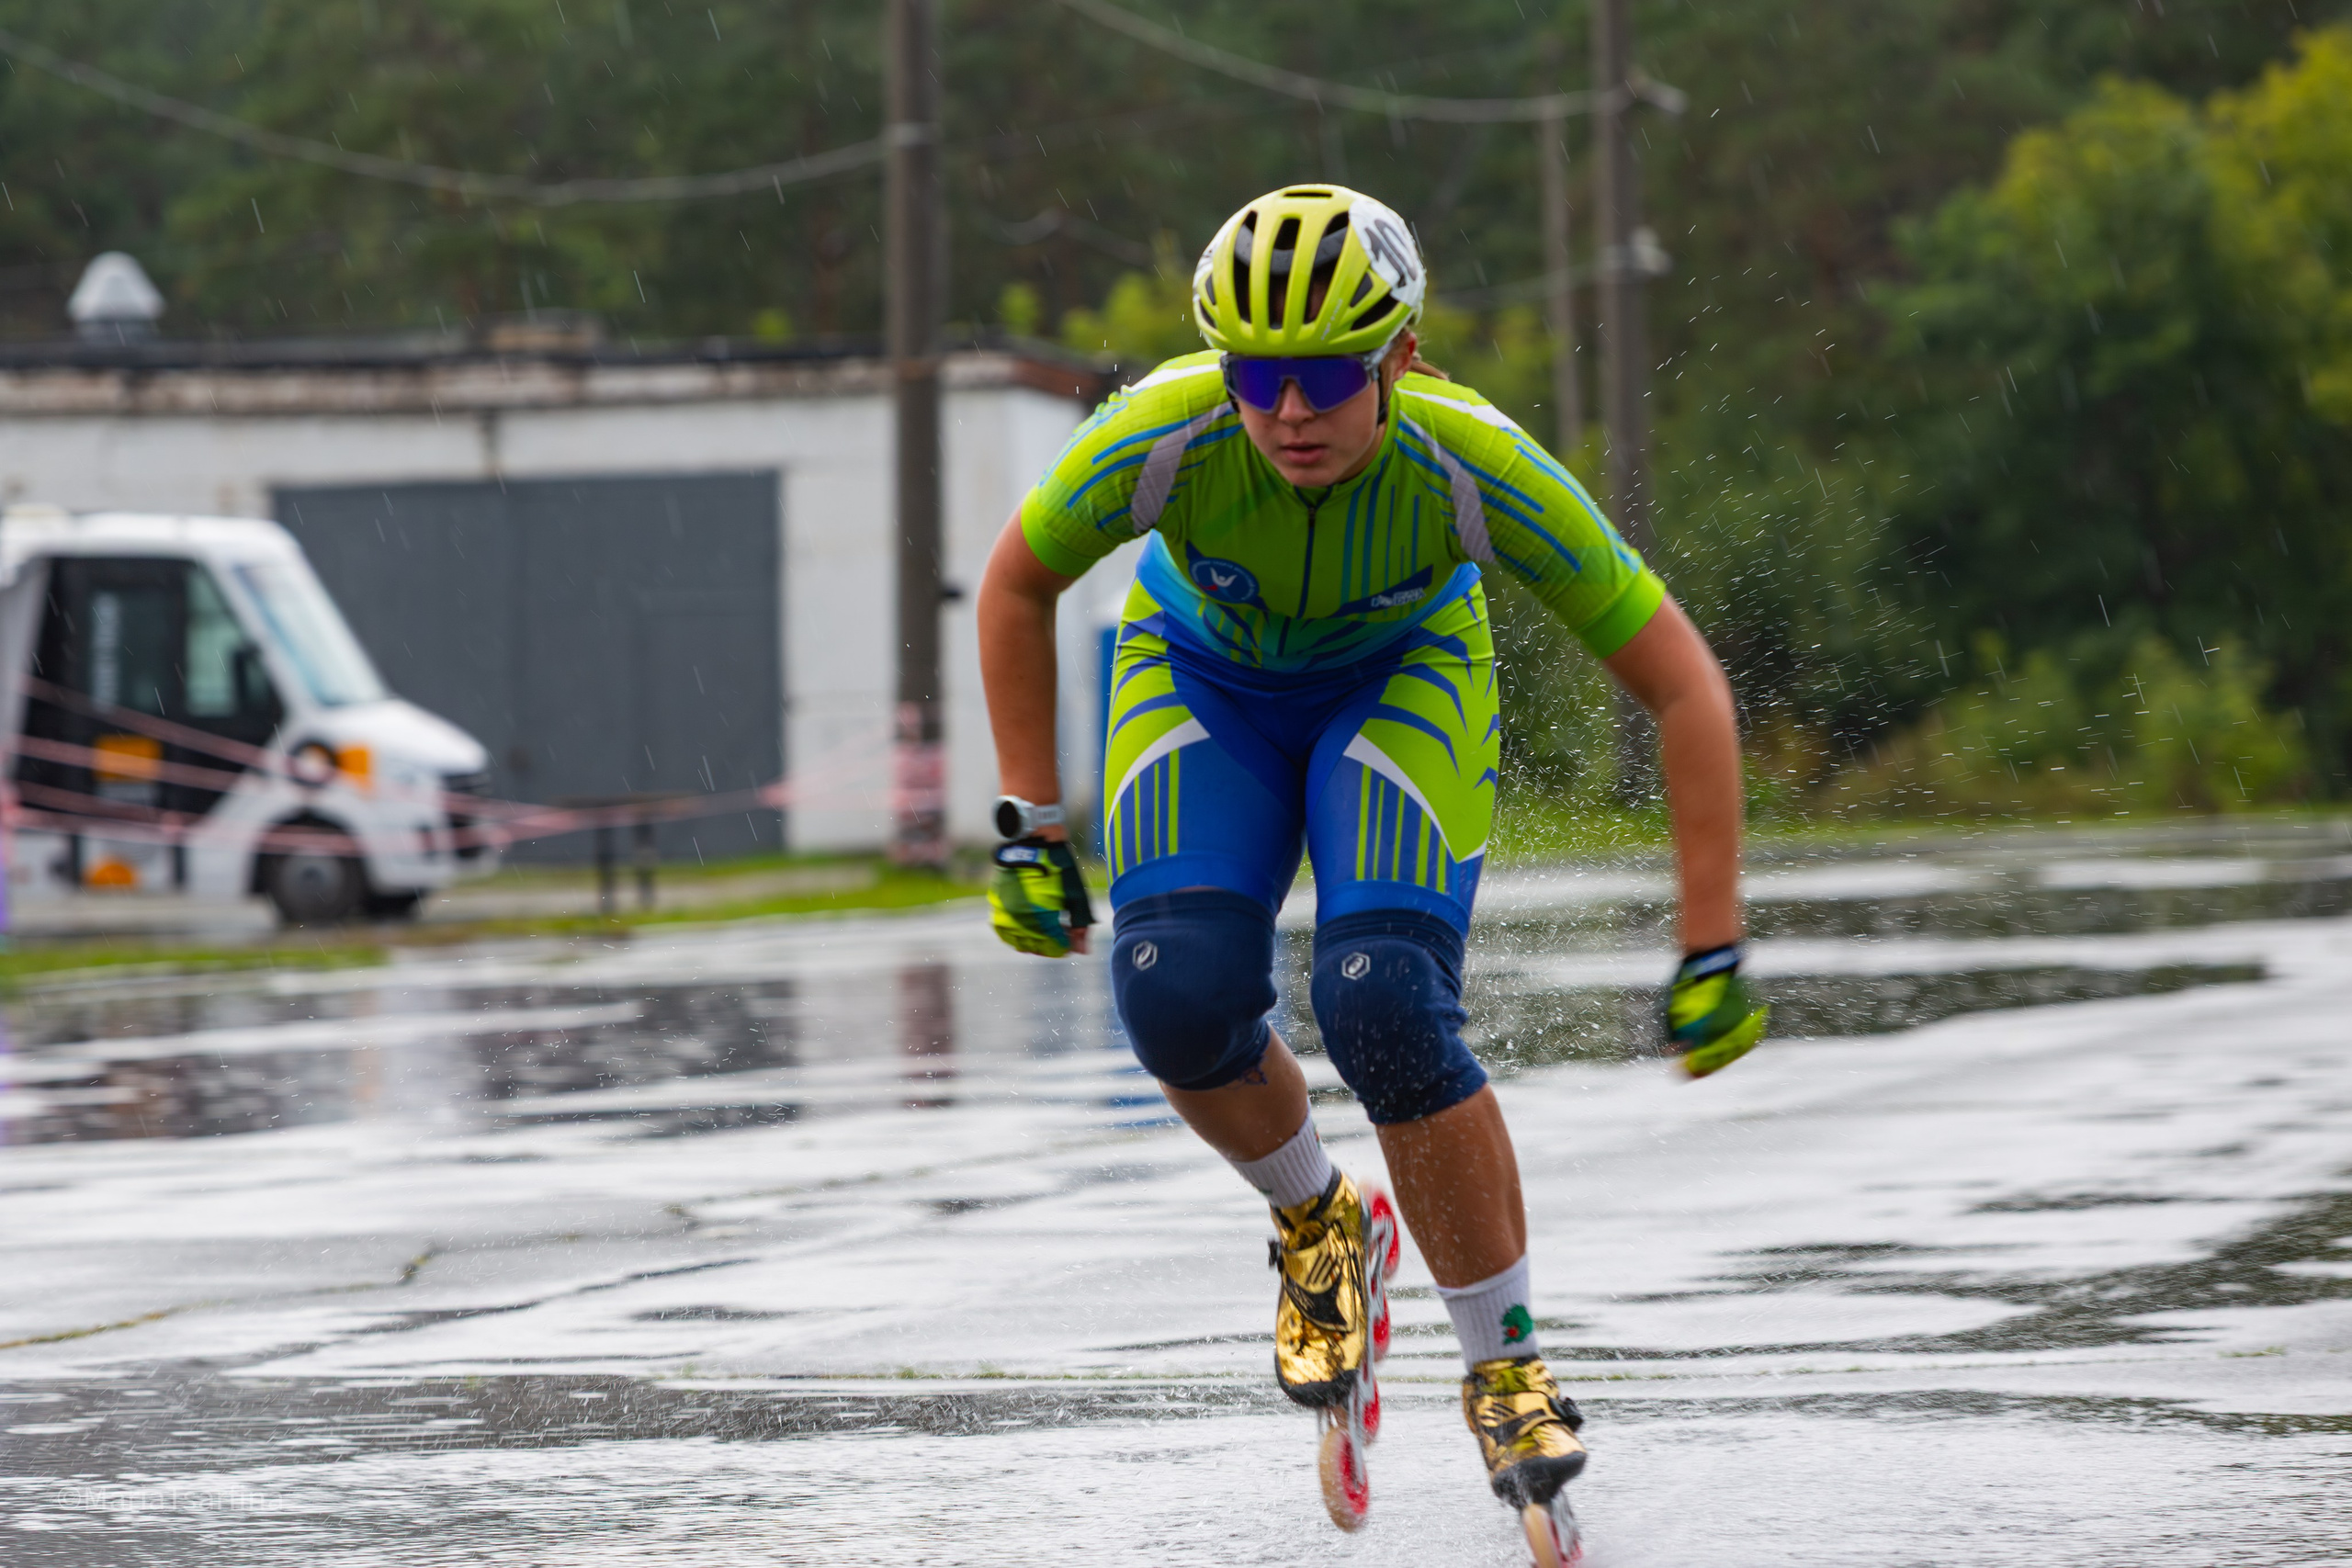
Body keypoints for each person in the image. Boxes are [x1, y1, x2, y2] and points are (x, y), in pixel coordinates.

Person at [976, 183, 1767, 1548]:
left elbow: (1685, 686)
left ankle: (1505, 1364)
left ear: (1398, 356)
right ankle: (1319, 1225)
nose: (1287, 411)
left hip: (1400, 681)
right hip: (1201, 679)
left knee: (1385, 1002)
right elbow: (1015, 584)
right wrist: (1030, 823)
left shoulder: (1475, 464)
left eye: (1326, 376)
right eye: (1257, 375)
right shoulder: (1164, 435)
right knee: (1173, 990)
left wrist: (1711, 940)